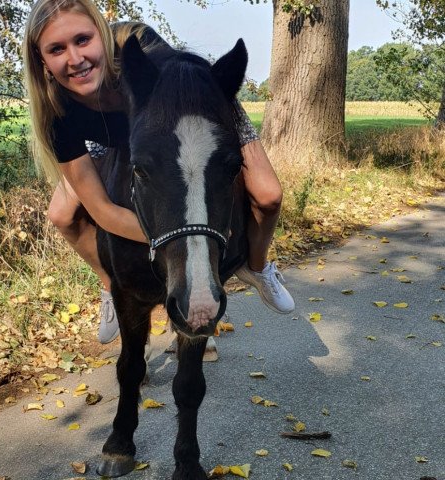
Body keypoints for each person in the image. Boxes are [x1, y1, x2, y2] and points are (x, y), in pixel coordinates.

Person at [22, 0, 295, 344]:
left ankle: (257, 268)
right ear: (42, 60)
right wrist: (181, 235)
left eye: (82, 40)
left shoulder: (141, 47)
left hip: (191, 112)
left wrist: (202, 227)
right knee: (62, 215)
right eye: (57, 49)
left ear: (101, 35)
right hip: (117, 140)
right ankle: (111, 283)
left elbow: (188, 119)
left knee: (269, 195)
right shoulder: (58, 114)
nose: (75, 59)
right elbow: (104, 213)